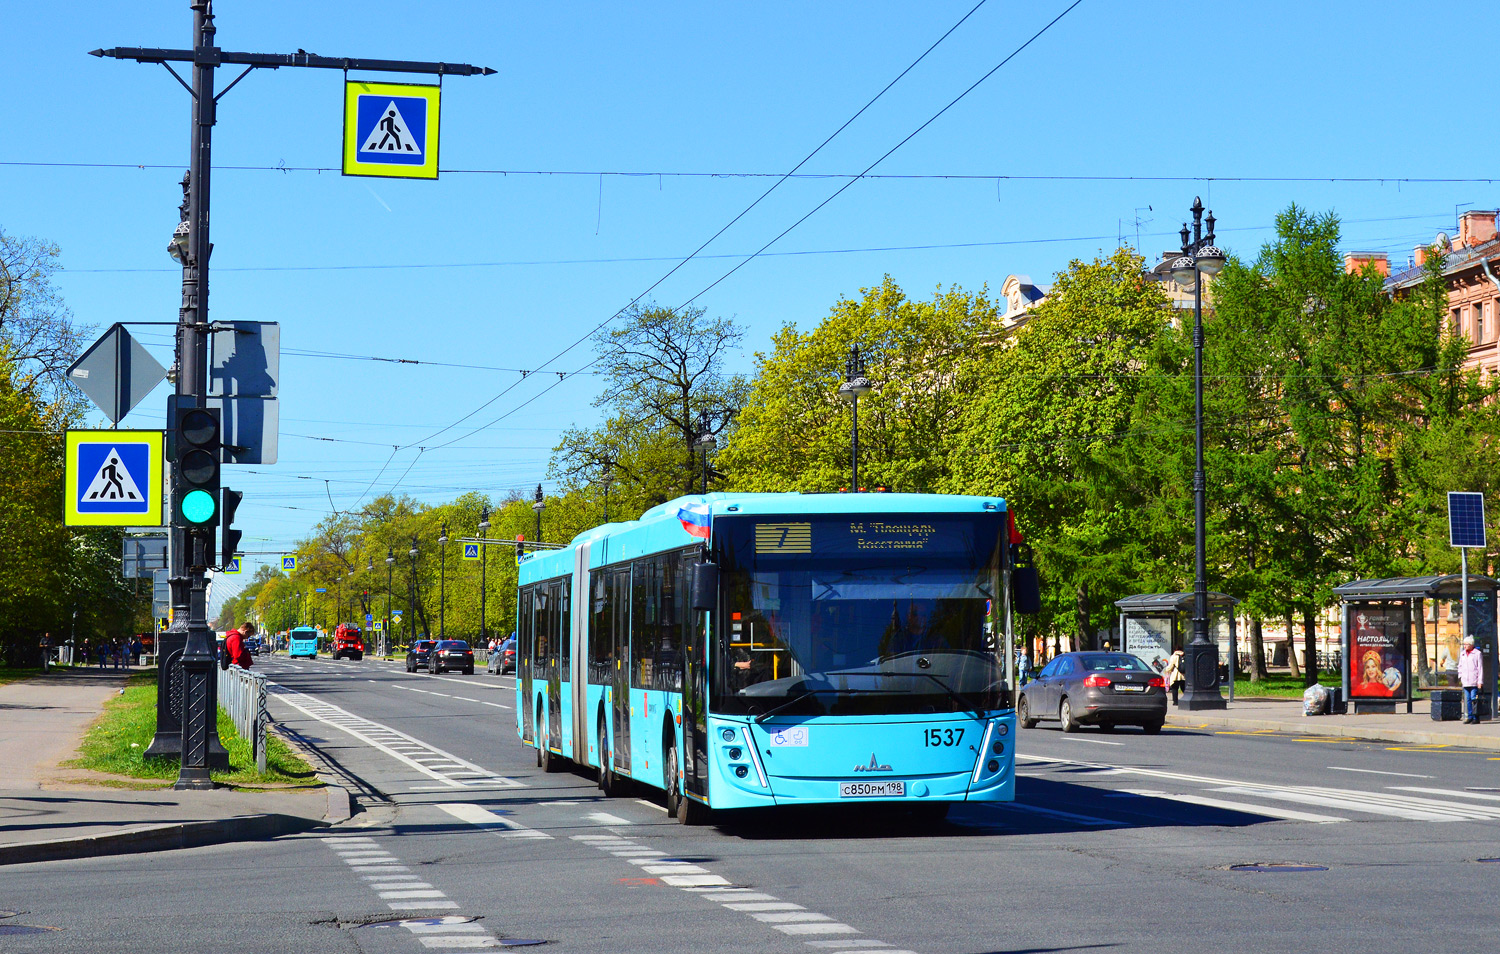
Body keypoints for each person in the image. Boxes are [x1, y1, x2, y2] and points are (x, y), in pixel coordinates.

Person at [1458, 635, 1484, 724]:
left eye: (1466, 644)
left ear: (1471, 644)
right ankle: (1469, 716)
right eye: (1464, 644)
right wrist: (1460, 676)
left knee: (1474, 699)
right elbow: (1460, 666)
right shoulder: (1462, 653)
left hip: (1474, 680)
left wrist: (1480, 681)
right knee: (1467, 699)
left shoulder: (1477, 653)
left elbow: (1480, 668)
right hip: (1465, 680)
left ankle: (1475, 717)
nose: (1464, 646)